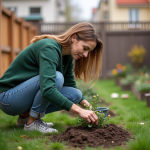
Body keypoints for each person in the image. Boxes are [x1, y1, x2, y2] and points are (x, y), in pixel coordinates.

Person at [0, 22, 103, 133]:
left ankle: (24, 118)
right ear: (74, 37)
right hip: (8, 98)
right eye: (85, 48)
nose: (86, 55)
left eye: (89, 51)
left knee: (75, 94)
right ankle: (32, 122)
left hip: (21, 97)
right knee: (56, 78)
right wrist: (79, 111)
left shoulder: (67, 57)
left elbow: (70, 86)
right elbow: (47, 90)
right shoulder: (49, 48)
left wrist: (89, 108)